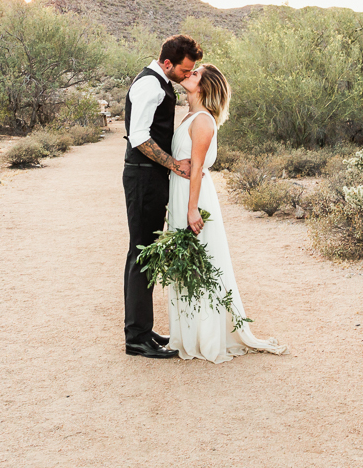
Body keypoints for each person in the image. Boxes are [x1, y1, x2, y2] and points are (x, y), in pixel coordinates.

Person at [166, 63, 286, 363]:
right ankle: (190, 332)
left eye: (195, 74)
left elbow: (196, 169)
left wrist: (192, 209)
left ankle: (206, 337)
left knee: (201, 261)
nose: (188, 74)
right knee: (187, 262)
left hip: (194, 199)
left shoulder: (203, 121)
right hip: (182, 194)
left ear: (205, 87)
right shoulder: (191, 116)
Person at [121, 34, 201, 358]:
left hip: (152, 178)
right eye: (184, 70)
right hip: (143, 178)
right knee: (141, 252)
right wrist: (173, 164)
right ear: (167, 63)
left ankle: (142, 328)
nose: (185, 76)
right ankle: (135, 338)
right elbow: (139, 136)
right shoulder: (149, 85)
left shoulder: (162, 83)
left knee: (148, 252)